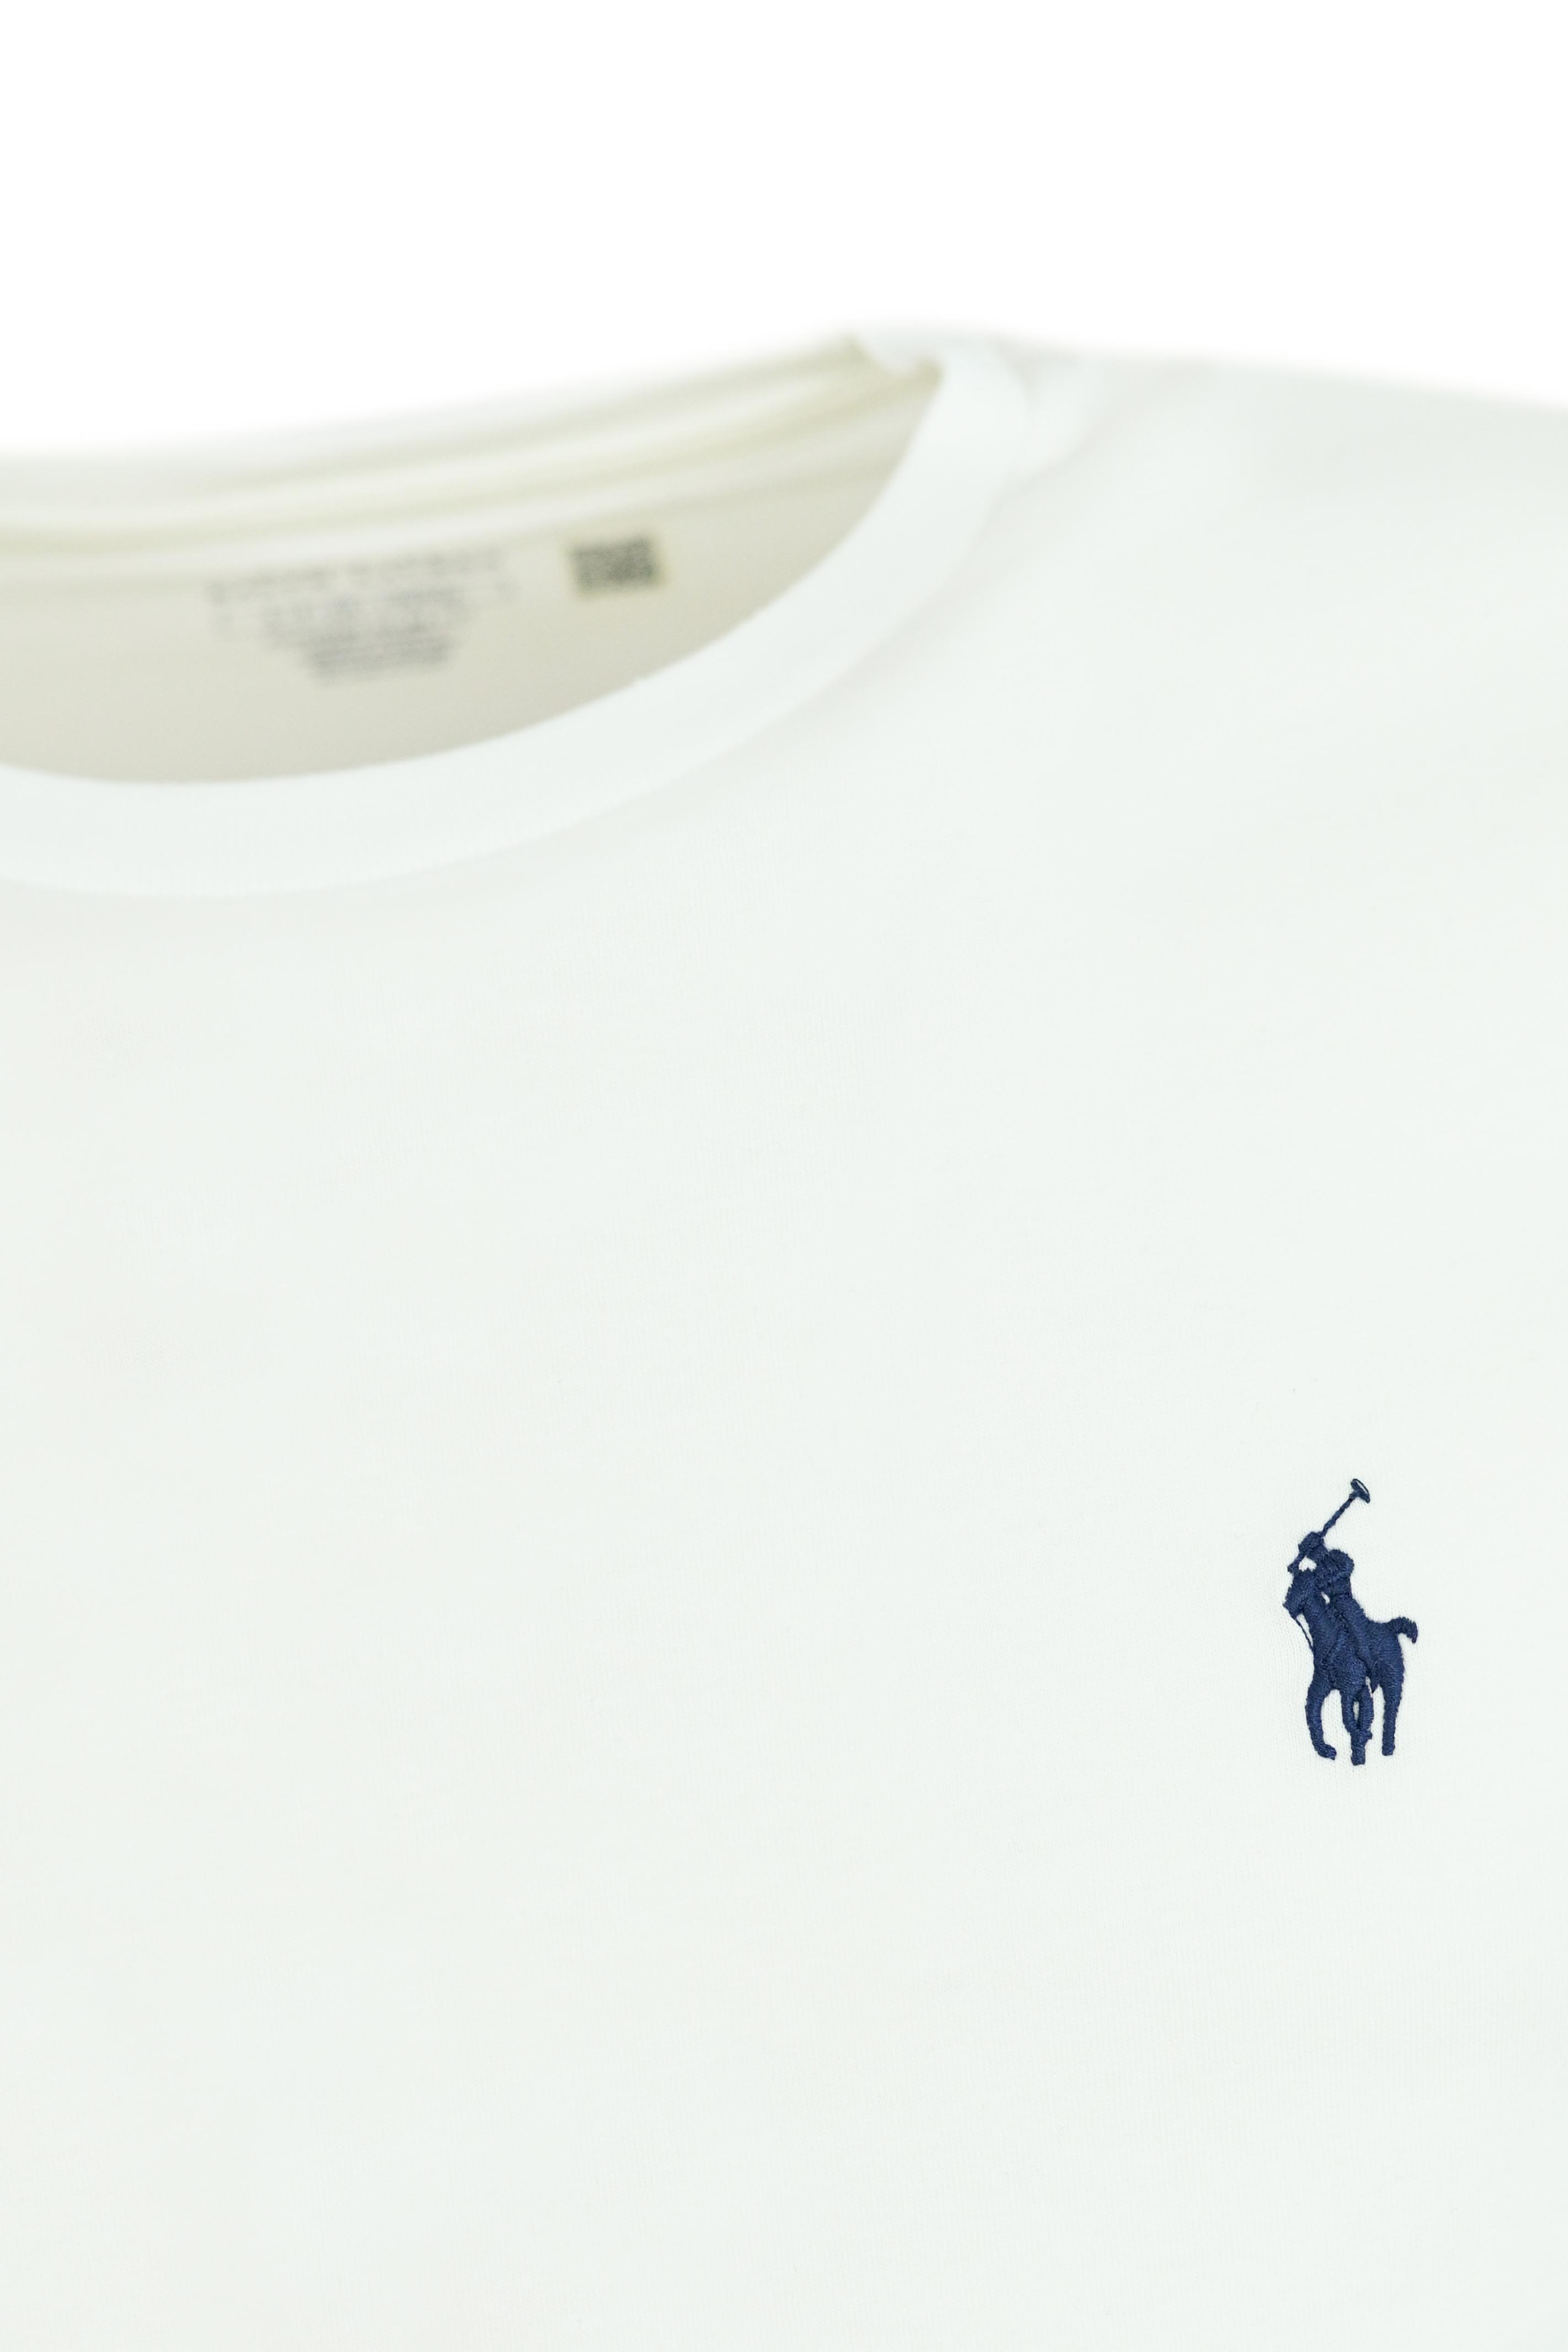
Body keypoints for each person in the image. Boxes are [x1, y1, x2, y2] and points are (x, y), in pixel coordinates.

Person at [1298, 1532, 1374, 1674]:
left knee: (1359, 1638)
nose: (1315, 1556)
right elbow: (1315, 1586)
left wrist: (1333, 1577)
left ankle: (1372, 1668)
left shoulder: (1336, 1556)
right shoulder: (1317, 1572)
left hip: (1346, 1602)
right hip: (1332, 1607)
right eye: (1312, 1554)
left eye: (1315, 1551)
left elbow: (1348, 1566)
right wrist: (1297, 1572)